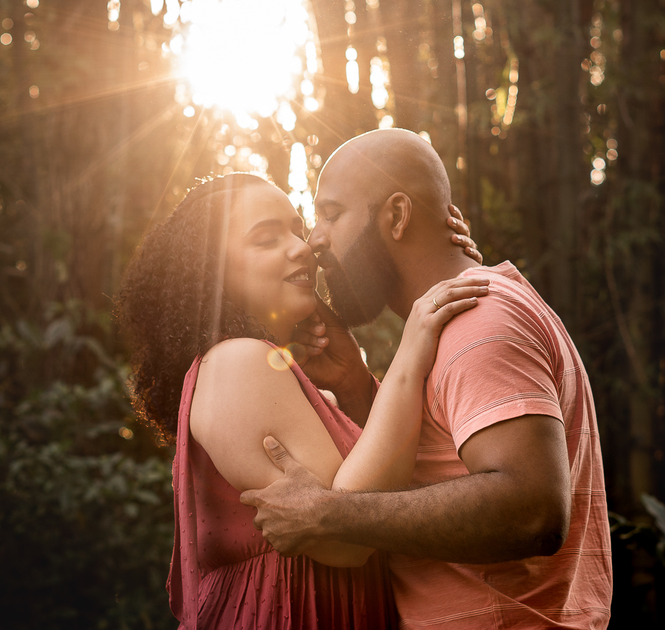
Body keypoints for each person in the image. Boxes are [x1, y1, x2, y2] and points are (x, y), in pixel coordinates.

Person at [240, 128, 613, 629]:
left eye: (331, 214)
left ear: (397, 215)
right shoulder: (461, 317)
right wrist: (356, 386)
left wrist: (325, 515)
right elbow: (445, 470)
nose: (315, 241)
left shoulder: (478, 321)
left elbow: (533, 510)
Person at [116, 172, 487, 629]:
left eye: (297, 229)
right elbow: (347, 541)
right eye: (266, 239)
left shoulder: (272, 369)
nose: (301, 247)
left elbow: (376, 494)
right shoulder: (236, 361)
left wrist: (352, 381)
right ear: (210, 274)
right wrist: (408, 359)